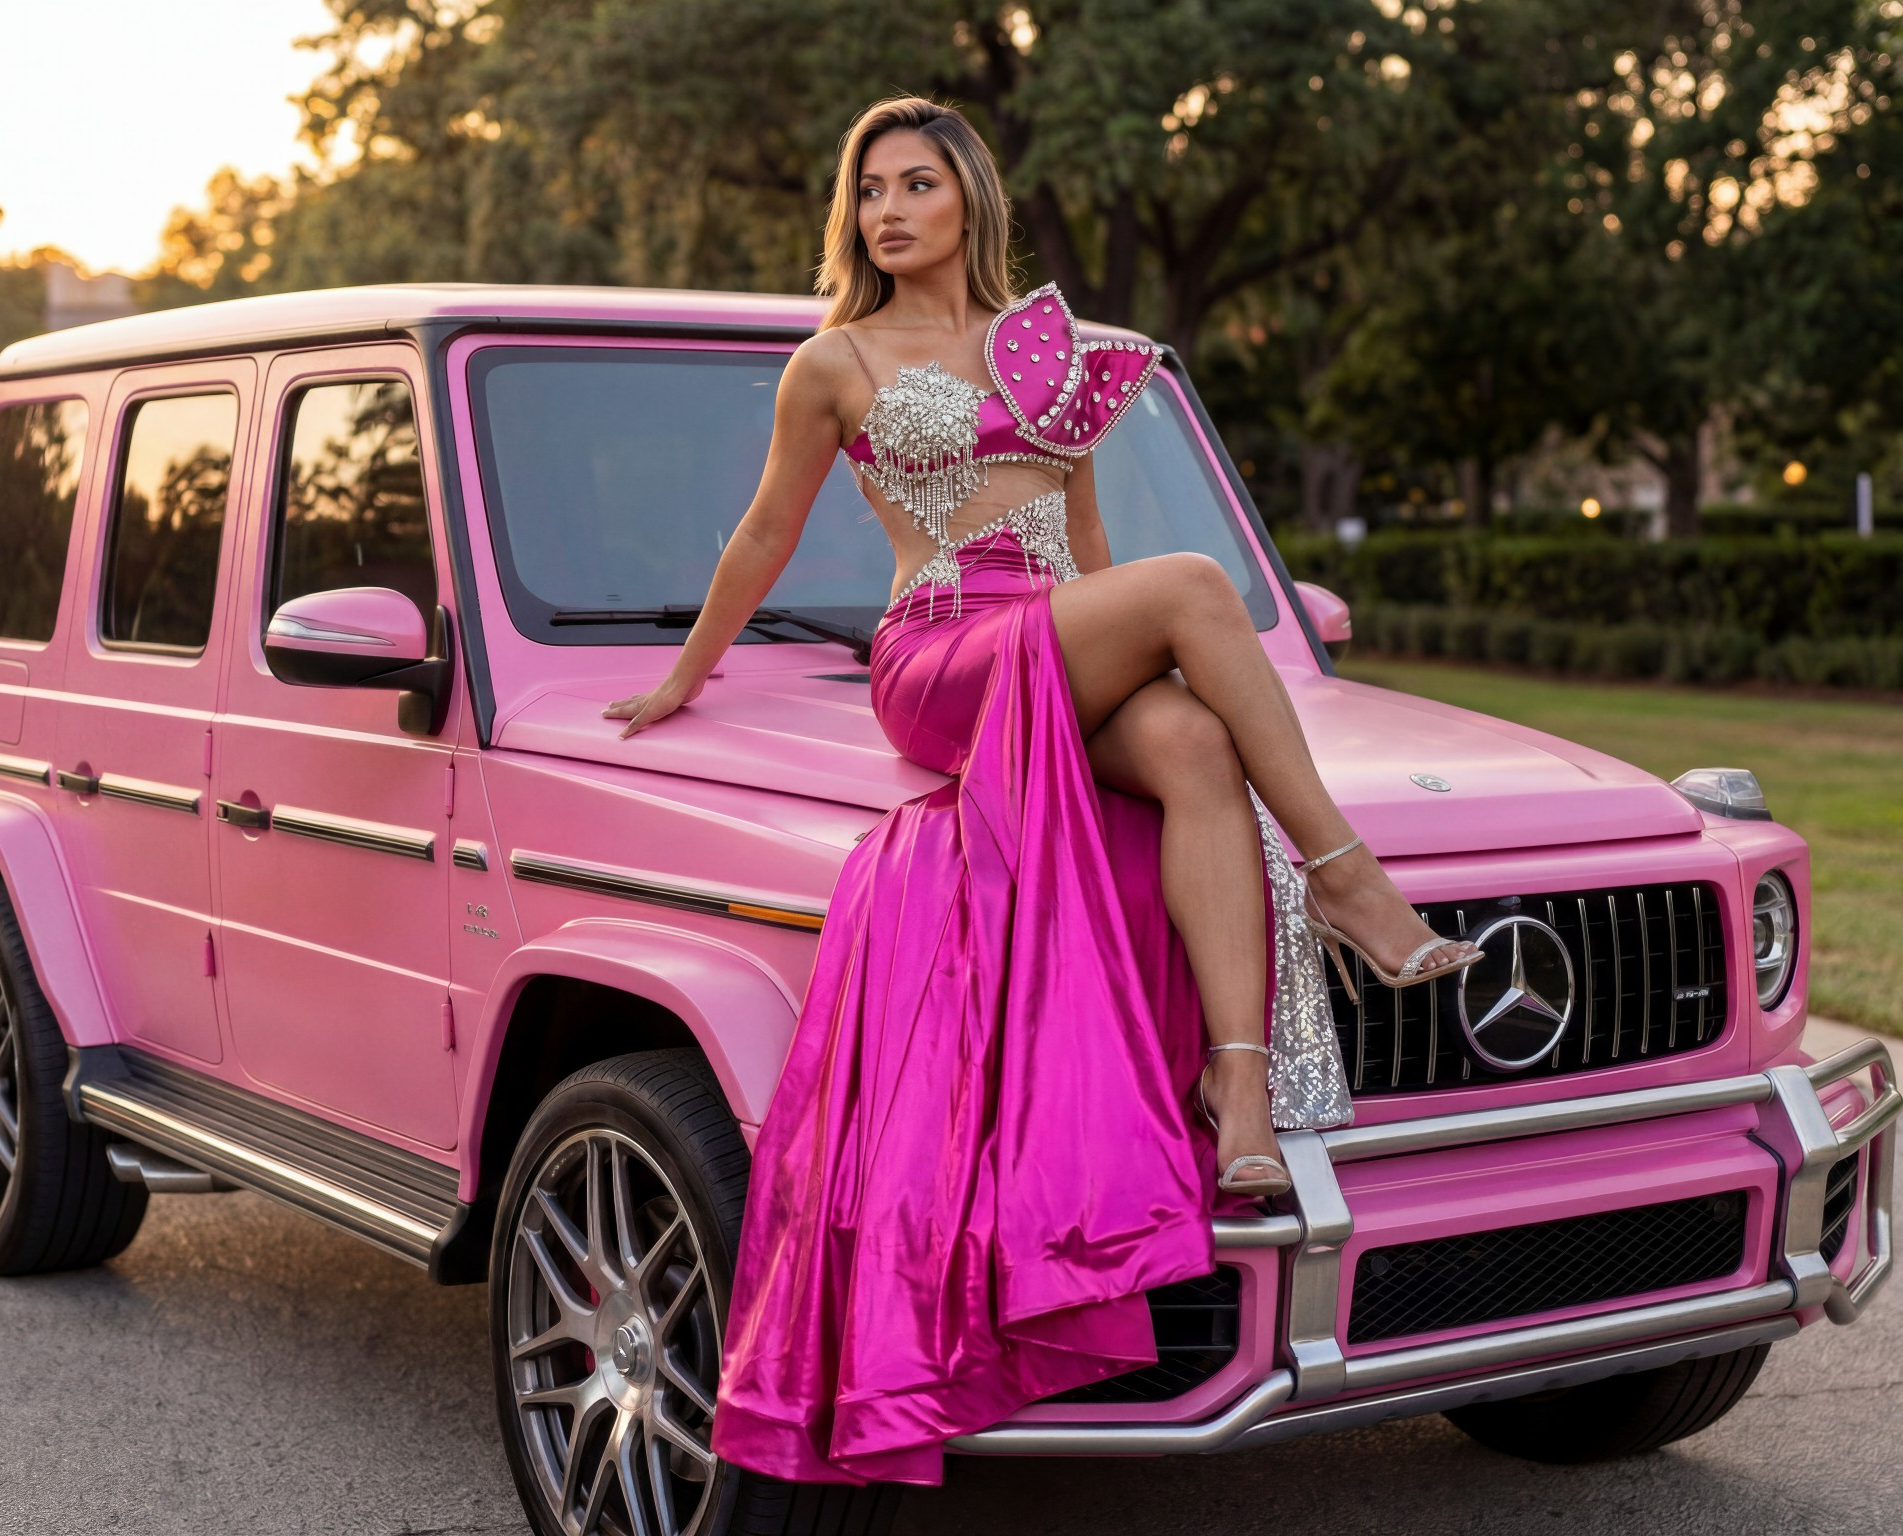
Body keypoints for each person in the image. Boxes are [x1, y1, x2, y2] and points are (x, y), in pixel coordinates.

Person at [601, 96, 1480, 1487]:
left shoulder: (1051, 351)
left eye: (917, 186)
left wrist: (1128, 675)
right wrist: (682, 678)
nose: (890, 211)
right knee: (1194, 590)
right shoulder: (834, 362)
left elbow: (1083, 546)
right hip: (940, 651)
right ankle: (1344, 875)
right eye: (870, 191)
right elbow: (765, 534)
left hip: (1049, 638)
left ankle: (1241, 1102)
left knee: (1192, 745)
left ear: (969, 202)